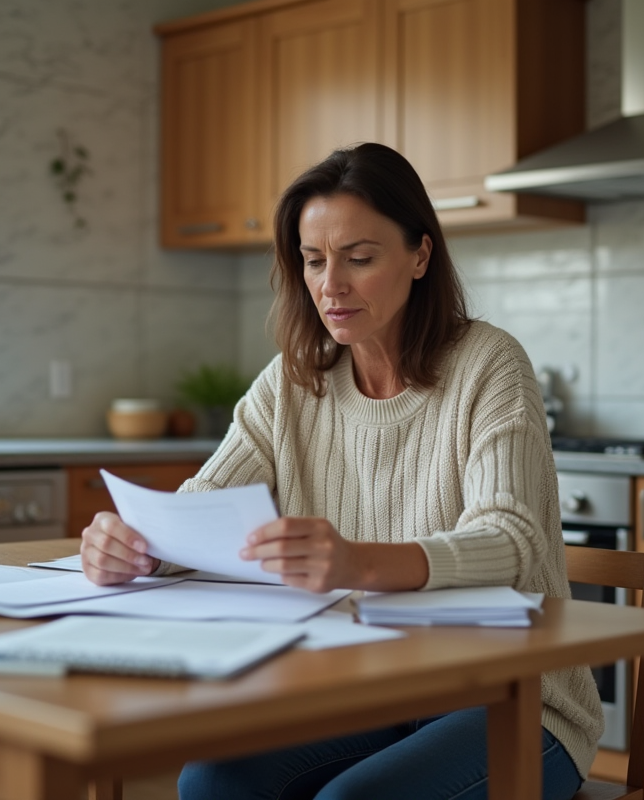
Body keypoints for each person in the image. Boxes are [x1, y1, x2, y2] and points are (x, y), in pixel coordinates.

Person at [80, 142, 603, 800]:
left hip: (515, 703)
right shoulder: (293, 381)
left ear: (419, 255)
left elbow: (513, 539)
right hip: (372, 689)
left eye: (359, 258)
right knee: (212, 782)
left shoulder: (489, 362)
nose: (332, 284)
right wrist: (139, 546)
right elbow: (204, 508)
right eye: (314, 260)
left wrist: (359, 563)